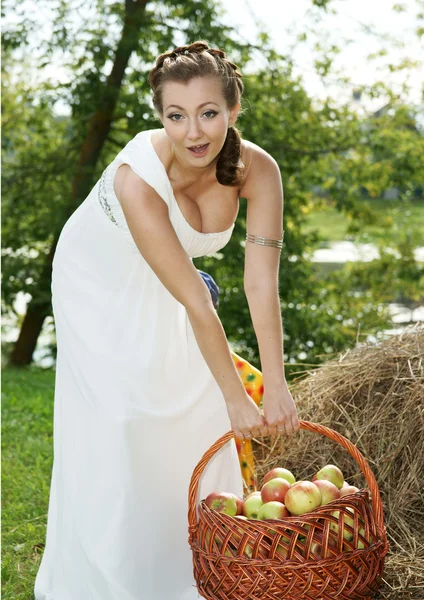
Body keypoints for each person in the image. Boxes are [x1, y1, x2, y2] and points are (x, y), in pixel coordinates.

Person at [34, 40, 299, 600]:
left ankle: (205, 571)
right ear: (160, 117)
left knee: (196, 402)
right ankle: (118, 579)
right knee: (124, 416)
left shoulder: (260, 171)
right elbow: (198, 305)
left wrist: (275, 385)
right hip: (97, 276)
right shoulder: (138, 181)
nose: (194, 132)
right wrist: (236, 395)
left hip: (172, 275)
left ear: (232, 110)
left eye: (208, 113)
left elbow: (259, 282)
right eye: (175, 116)